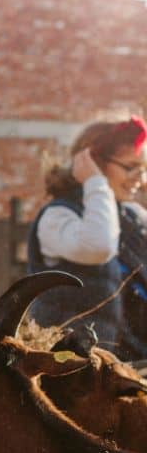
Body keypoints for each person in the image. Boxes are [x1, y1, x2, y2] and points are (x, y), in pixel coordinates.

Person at [28, 115, 147, 360]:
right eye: (130, 167)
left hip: (132, 364)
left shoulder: (130, 216)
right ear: (92, 162)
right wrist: (95, 182)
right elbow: (99, 246)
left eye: (143, 169)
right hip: (78, 369)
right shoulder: (59, 217)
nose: (140, 178)